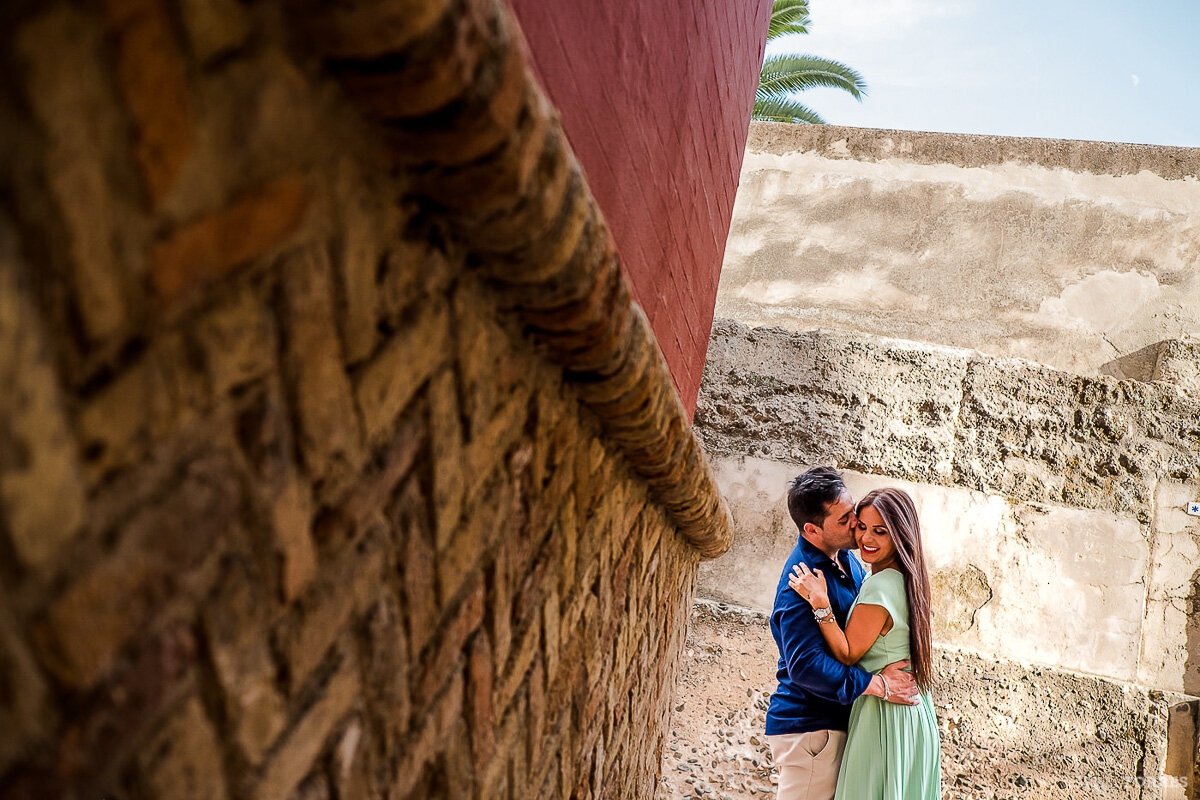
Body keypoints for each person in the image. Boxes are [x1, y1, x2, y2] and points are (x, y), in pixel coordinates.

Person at [766, 468, 920, 800]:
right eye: (845, 519)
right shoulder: (800, 581)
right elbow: (806, 666)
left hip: (840, 725)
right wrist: (878, 684)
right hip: (811, 730)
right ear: (812, 529)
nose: (856, 525)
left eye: (853, 512)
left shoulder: (848, 559)